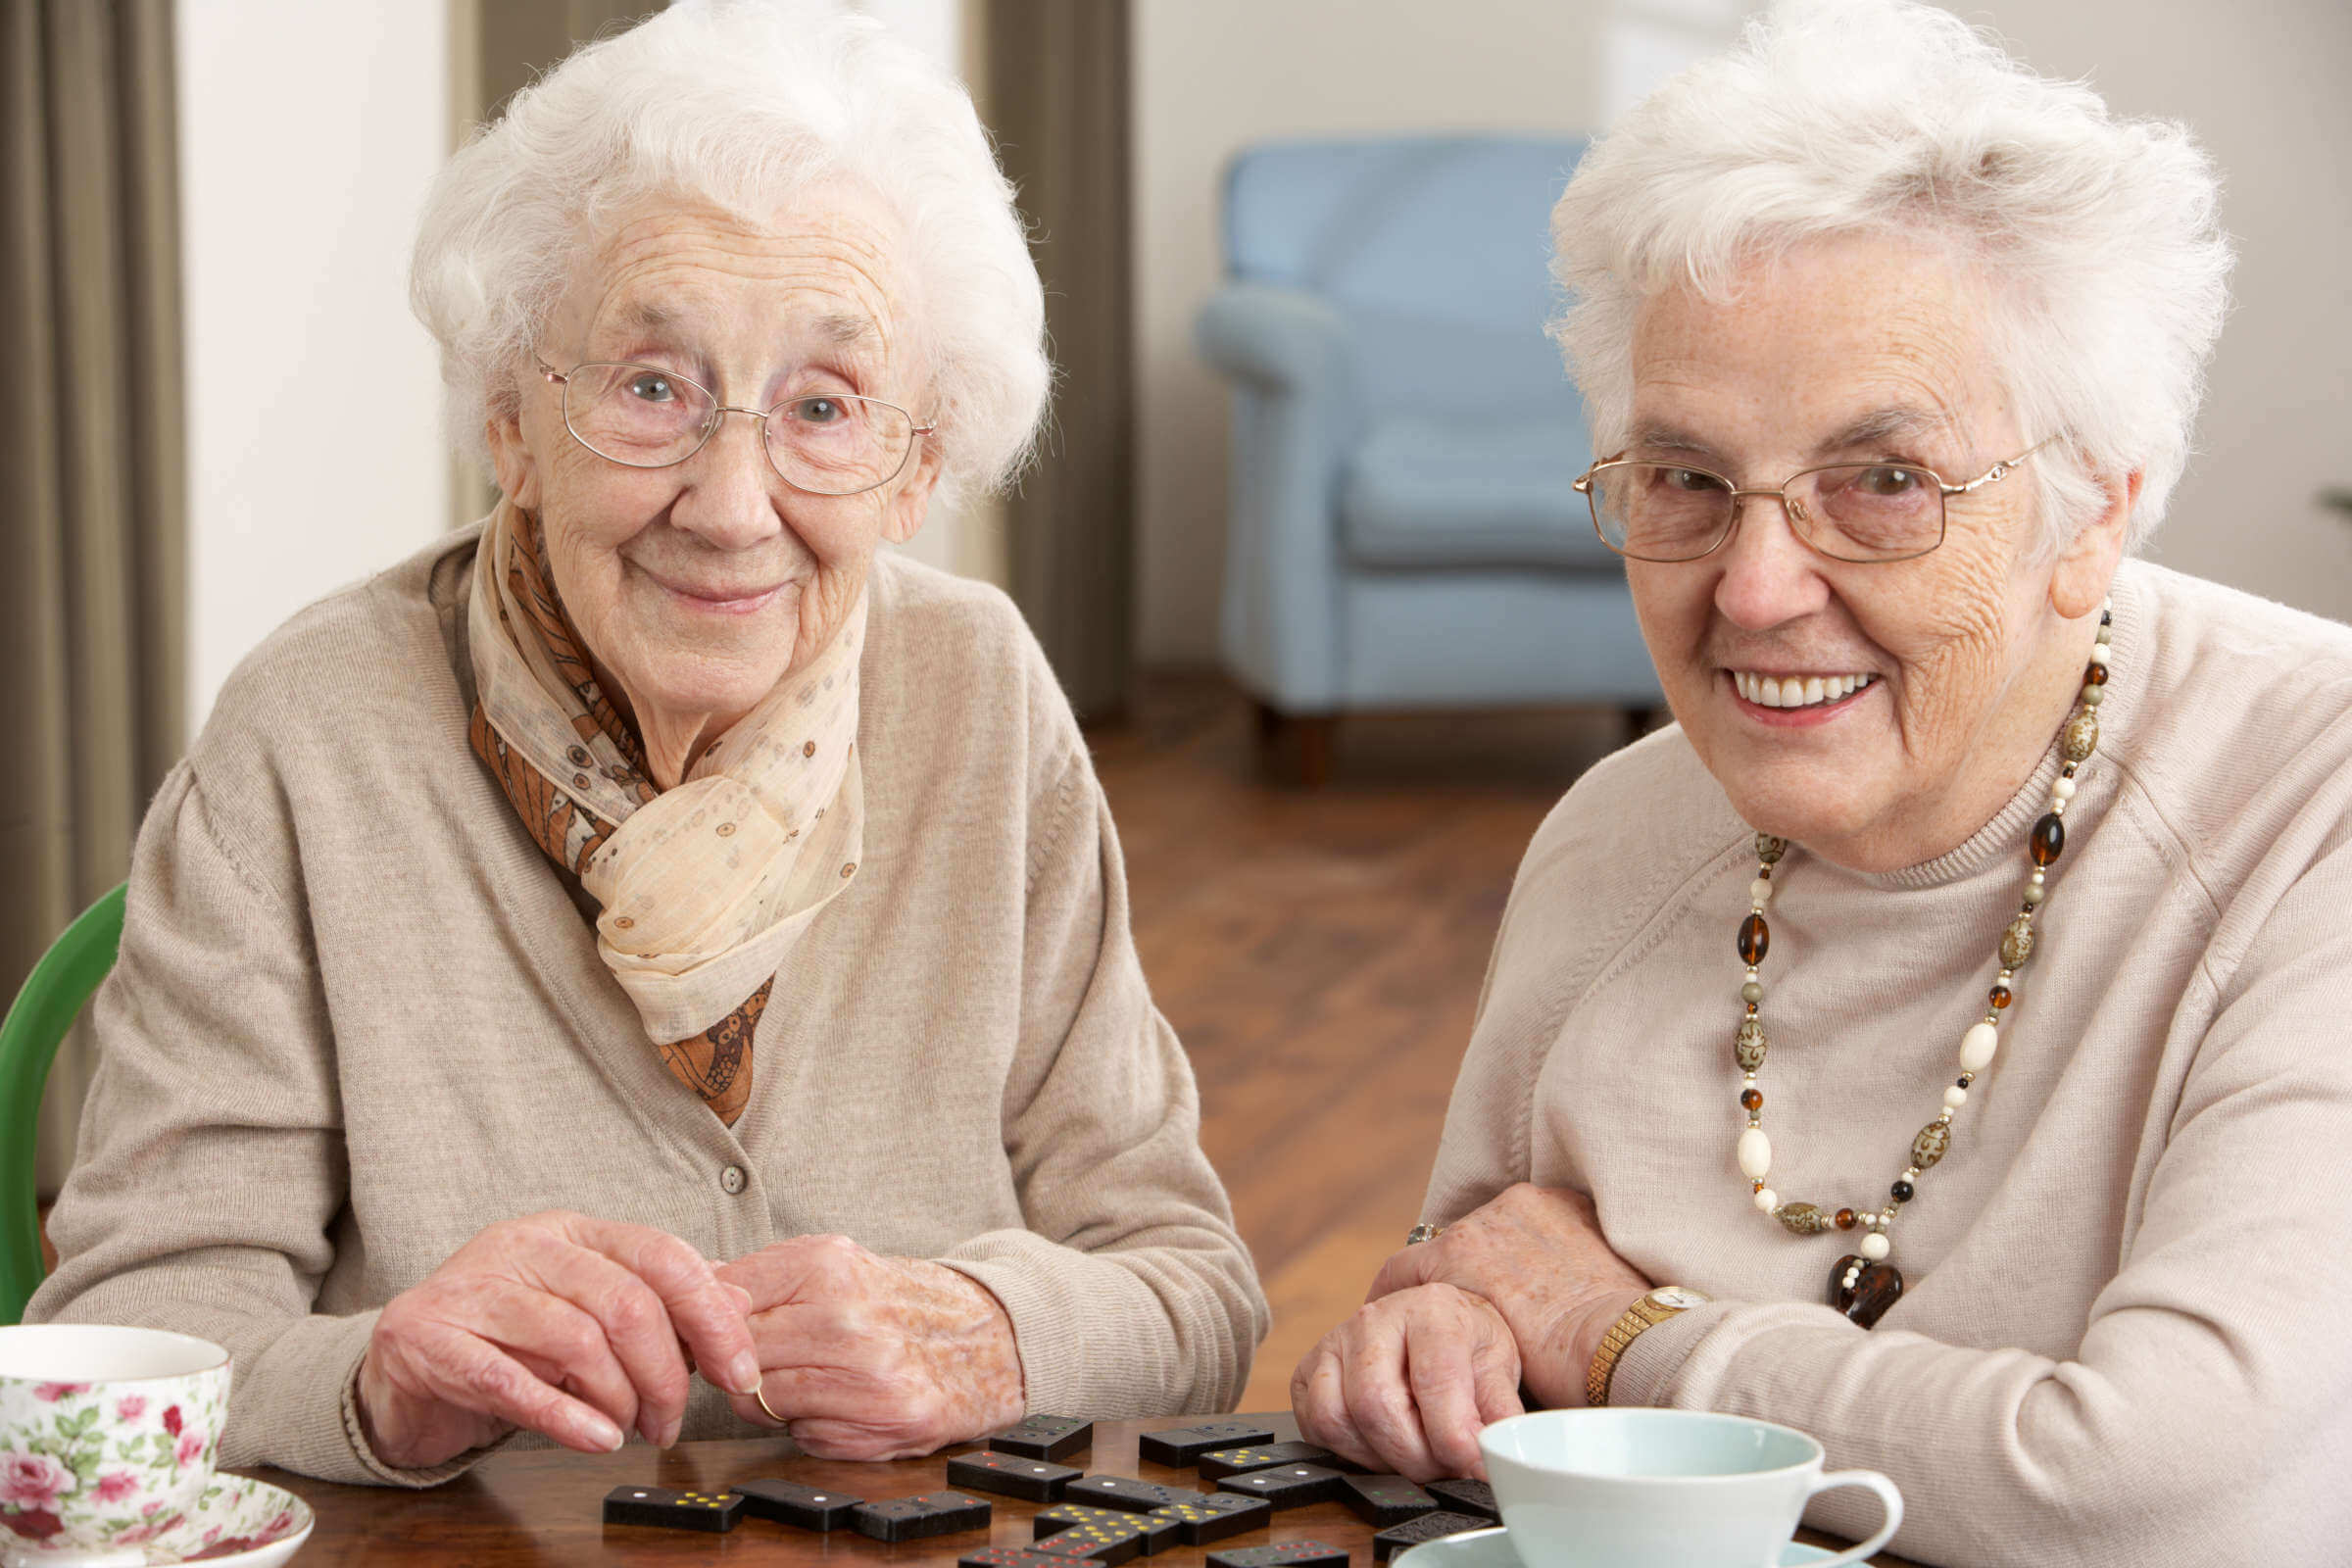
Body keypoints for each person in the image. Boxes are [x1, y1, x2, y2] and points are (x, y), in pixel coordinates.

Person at [28, 0, 1265, 1489]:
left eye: (825, 406)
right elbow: (138, 1328)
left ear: (919, 465)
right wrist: (383, 1376)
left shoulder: (979, 694)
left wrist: (992, 1329)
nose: (731, 503)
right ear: (508, 418)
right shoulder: (314, 734)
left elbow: (1189, 1286)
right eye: (652, 389)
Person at [1292, 2, 2352, 1562]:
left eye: (1885, 481)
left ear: (2098, 511)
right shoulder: (1614, 840)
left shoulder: (2312, 800)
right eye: (1687, 481)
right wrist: (1425, 1356)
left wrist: (1618, 1338)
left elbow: (2170, 1491)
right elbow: (1483, 1296)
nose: (1758, 588)